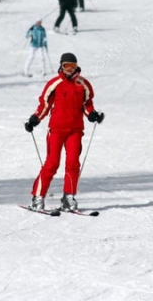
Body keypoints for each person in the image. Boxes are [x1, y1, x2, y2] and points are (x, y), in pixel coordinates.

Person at [24, 52, 105, 211]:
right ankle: (38, 197)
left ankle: (68, 197)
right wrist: (35, 119)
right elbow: (45, 105)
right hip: (56, 130)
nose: (69, 69)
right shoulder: (54, 83)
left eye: (72, 66)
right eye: (66, 66)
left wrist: (92, 115)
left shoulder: (83, 84)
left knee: (73, 163)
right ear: (61, 66)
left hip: (75, 130)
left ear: (77, 67)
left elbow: (87, 105)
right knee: (52, 163)